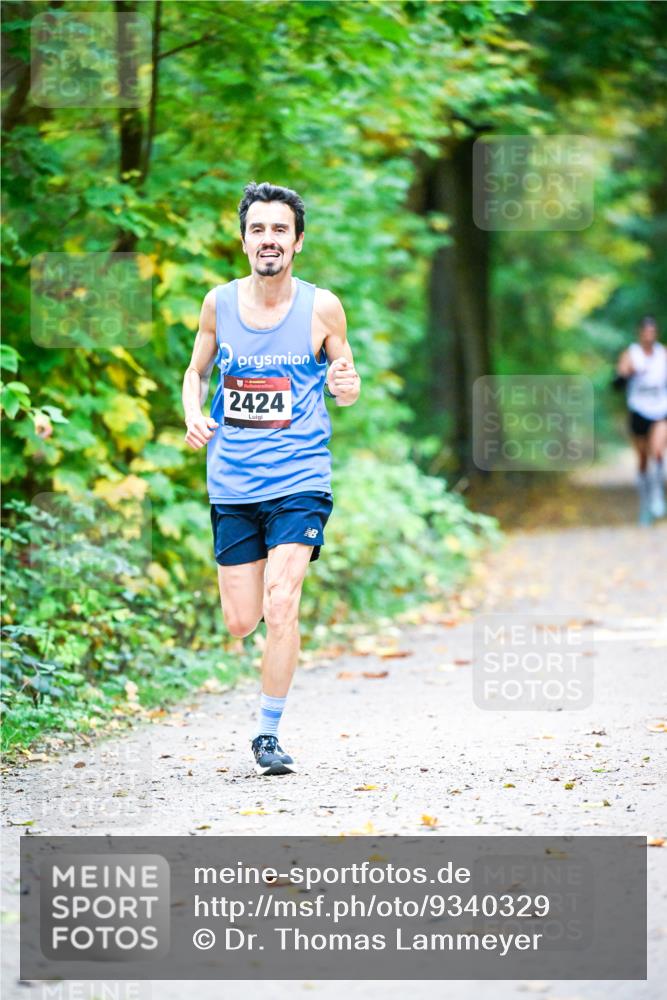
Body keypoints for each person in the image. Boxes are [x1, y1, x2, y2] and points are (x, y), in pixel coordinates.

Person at [181, 181, 361, 775]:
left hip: (300, 478)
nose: (268, 240)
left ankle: (267, 733)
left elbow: (346, 371)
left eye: (279, 229)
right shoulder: (218, 304)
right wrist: (192, 412)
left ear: (298, 241)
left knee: (281, 603)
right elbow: (196, 371)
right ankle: (266, 636)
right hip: (232, 483)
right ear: (243, 240)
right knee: (242, 620)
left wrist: (347, 384)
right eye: (257, 229)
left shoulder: (322, 307)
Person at [616, 315, 667, 525]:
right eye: (645, 331)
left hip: (661, 410)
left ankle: (657, 496)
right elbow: (617, 383)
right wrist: (627, 373)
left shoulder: (663, 354)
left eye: (652, 331)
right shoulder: (631, 355)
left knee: (657, 452)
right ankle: (645, 505)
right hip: (638, 410)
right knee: (643, 459)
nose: (649, 335)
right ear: (640, 333)